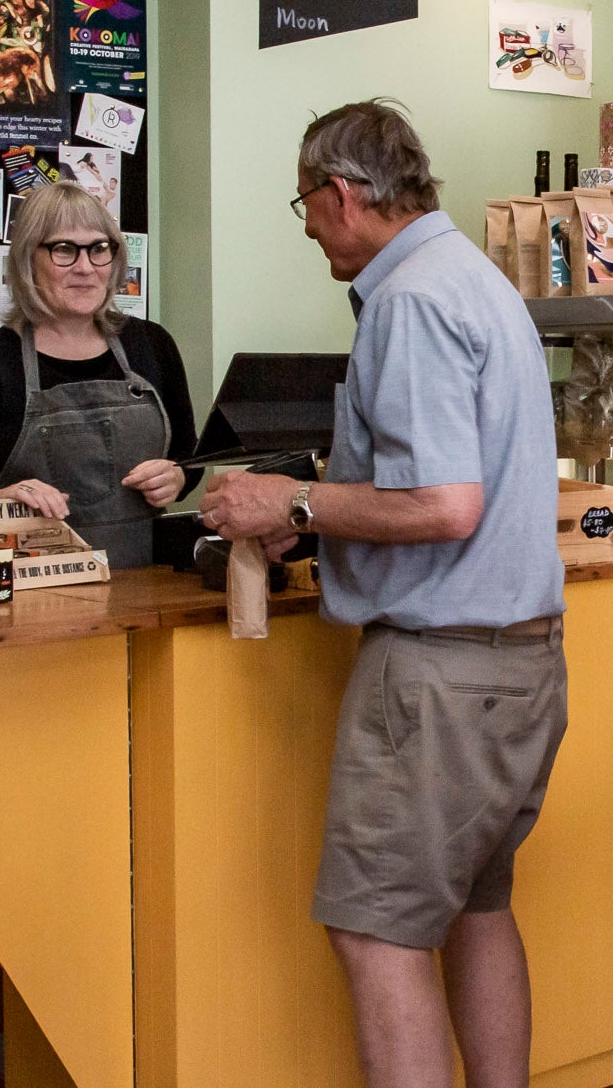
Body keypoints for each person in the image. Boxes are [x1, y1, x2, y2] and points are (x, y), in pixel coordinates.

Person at [199, 100, 567, 1088]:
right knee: (477, 912)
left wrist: (298, 498)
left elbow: (445, 504)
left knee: (378, 935)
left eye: (306, 207)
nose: (311, 226)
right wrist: (315, 511)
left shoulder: (407, 299)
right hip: (517, 667)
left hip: (438, 683)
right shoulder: (476, 281)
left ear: (343, 194)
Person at [0, 182, 198, 568]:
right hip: (34, 591)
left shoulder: (152, 345)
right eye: (64, 249)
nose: (85, 267)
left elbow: (189, 456)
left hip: (148, 583)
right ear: (29, 259)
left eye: (99, 249)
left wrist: (178, 478)